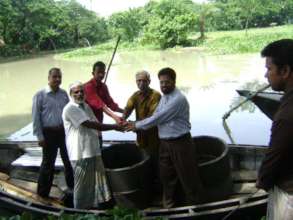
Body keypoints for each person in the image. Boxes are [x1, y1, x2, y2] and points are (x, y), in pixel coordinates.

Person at [126, 67, 203, 208]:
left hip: (180, 143)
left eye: (167, 82)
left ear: (174, 81)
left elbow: (159, 118)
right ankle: (169, 205)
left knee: (188, 176)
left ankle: (196, 206)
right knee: (166, 176)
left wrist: (136, 125)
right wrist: (132, 123)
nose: (163, 85)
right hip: (165, 143)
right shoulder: (165, 97)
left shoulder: (178, 99)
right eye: (161, 82)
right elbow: (156, 115)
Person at [62, 81, 124, 209]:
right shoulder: (70, 108)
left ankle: (98, 207)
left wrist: (119, 122)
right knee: (82, 187)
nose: (79, 94)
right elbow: (91, 125)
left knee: (99, 183)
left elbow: (96, 123)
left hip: (93, 150)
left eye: (81, 91)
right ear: (71, 94)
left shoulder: (85, 106)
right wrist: (115, 127)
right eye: (76, 92)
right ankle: (79, 212)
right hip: (80, 153)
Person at [256, 39, 293, 220]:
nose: (266, 75)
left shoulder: (286, 114)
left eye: (269, 69)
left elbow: (274, 156)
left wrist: (262, 182)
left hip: (289, 194)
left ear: (285, 71)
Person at [32, 67, 74, 198]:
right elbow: (35, 118)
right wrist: (40, 136)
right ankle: (42, 194)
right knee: (48, 163)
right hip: (48, 134)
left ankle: (72, 189)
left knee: (68, 160)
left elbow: (70, 113)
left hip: (63, 132)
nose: (57, 79)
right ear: (48, 78)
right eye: (55, 77)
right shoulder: (40, 95)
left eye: (59, 77)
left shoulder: (64, 94)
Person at [122, 70, 161, 191]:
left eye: (144, 81)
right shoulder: (135, 95)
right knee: (144, 159)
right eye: (139, 81)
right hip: (140, 135)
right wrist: (122, 121)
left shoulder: (156, 95)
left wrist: (135, 125)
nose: (142, 83)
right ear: (136, 82)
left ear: (149, 81)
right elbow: (127, 109)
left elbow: (152, 117)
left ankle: (159, 186)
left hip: (154, 135)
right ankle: (149, 184)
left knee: (156, 161)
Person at [84, 61, 124, 145]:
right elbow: (100, 105)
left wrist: (125, 111)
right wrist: (115, 117)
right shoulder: (88, 86)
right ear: (93, 73)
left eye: (103, 73)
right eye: (98, 72)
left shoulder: (104, 87)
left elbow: (111, 104)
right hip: (88, 126)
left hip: (99, 125)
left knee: (99, 146)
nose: (101, 75)